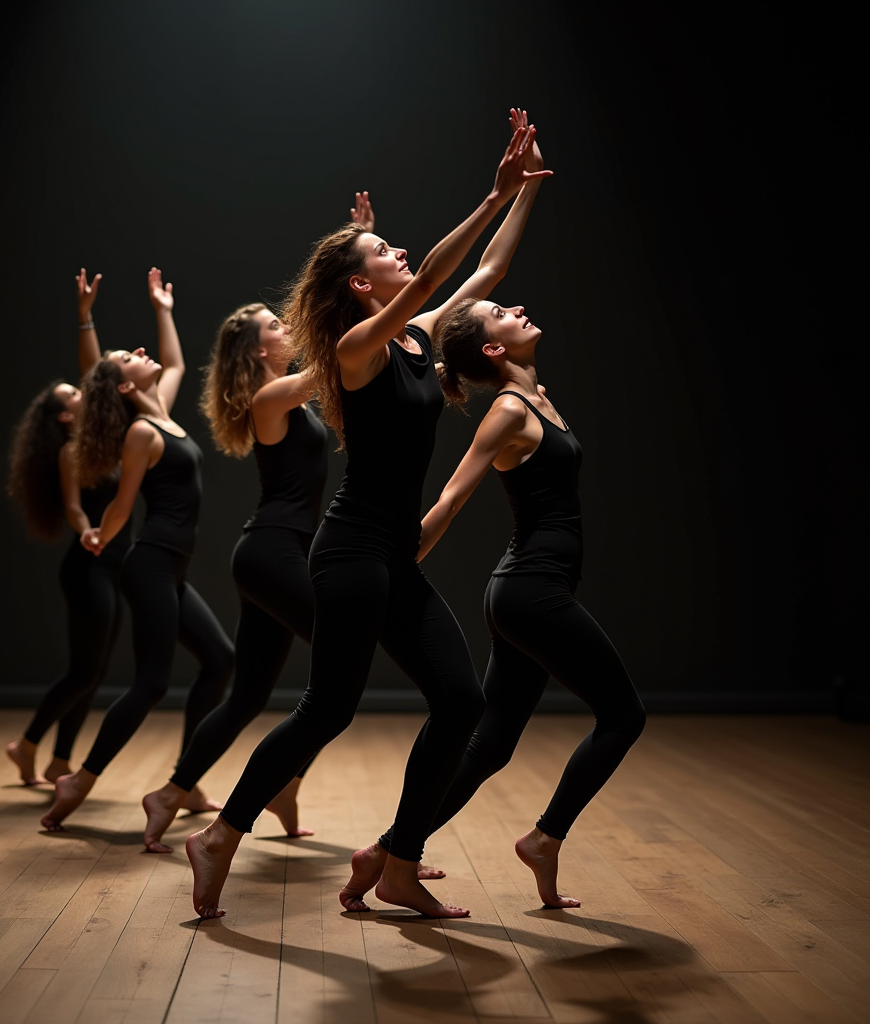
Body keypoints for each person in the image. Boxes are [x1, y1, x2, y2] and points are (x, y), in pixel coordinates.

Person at [186, 113, 551, 919]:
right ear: (360, 288)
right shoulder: (356, 351)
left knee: (460, 700)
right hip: (347, 552)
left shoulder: (420, 339)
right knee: (330, 707)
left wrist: (521, 192)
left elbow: (481, 273)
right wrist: (488, 196)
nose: (399, 254)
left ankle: (398, 862)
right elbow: (423, 287)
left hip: (394, 557)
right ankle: (219, 834)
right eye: (382, 253)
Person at [139, 196, 390, 852]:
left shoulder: (289, 396)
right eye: (273, 325)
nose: (285, 324)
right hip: (276, 553)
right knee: (342, 669)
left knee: (248, 694)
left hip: (273, 555)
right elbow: (333, 357)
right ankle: (273, 782)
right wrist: (351, 268)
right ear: (258, 348)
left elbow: (329, 361)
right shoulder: (269, 400)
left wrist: (358, 244)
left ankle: (172, 792)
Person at [411, 260, 647, 909]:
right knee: (624, 716)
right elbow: (452, 499)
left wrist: (523, 190)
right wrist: (400, 565)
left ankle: (393, 847)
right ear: (493, 349)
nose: (516, 310)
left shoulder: (537, 397)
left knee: (490, 746)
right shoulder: (510, 412)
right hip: (530, 592)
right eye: (502, 314)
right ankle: (545, 837)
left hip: (528, 592)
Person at [40, 268, 234, 830]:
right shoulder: (140, 433)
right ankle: (82, 778)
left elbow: (173, 364)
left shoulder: (161, 414)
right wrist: (100, 531)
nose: (143, 353)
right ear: (124, 386)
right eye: (131, 357)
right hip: (148, 565)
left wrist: (163, 308)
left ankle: (186, 780)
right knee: (151, 683)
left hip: (170, 568)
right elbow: (123, 505)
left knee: (220, 660)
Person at [5, 269, 129, 785]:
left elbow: (95, 378)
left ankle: (59, 761)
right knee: (84, 670)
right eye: (71, 398)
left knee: (95, 673)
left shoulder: (107, 437)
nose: (83, 395)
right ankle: (26, 744)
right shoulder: (72, 450)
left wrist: (85, 317)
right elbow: (76, 508)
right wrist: (88, 531)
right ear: (62, 418)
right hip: (89, 564)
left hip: (114, 561)